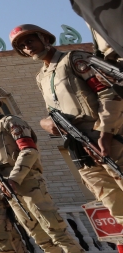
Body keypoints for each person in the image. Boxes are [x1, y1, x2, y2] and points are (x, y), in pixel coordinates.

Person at [11, 24, 123, 225]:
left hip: (106, 137)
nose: (27, 47)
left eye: (30, 40)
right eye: (22, 46)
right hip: (78, 146)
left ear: (45, 39)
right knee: (113, 203)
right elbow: (53, 111)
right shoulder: (41, 77)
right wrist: (46, 123)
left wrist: (105, 132)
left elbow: (108, 92)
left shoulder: (74, 59)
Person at [0, 88, 83, 253]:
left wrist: (14, 178)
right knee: (39, 237)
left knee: (56, 232)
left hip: (27, 182)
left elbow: (29, 150)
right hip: (8, 188)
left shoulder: (12, 121)